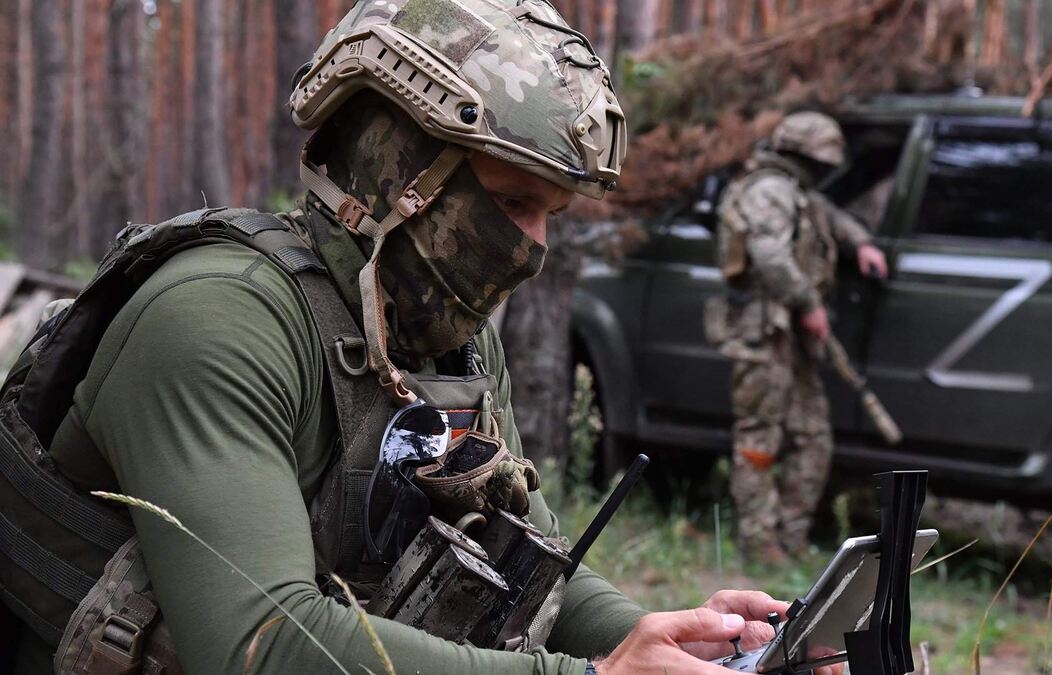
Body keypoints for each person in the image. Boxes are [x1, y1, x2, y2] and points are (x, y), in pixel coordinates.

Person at [1, 2, 844, 674]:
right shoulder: (219, 317)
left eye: (551, 214)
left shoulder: (450, 341)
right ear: (398, 173)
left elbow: (528, 559)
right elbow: (262, 642)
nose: (535, 247)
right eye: (513, 201)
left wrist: (663, 641)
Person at [707, 112, 889, 564]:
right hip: (764, 334)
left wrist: (861, 242)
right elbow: (769, 254)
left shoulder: (797, 191)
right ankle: (759, 542)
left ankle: (791, 537)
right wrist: (808, 304)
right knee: (759, 436)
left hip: (792, 341)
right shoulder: (769, 190)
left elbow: (829, 216)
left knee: (812, 437)